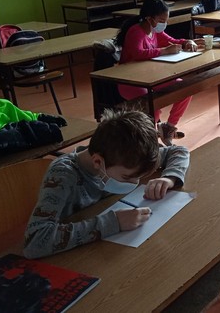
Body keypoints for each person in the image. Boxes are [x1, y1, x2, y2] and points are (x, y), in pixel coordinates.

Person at [23, 109, 190, 259]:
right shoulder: (63, 176)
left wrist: (169, 178)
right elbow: (35, 241)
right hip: (77, 259)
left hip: (109, 249)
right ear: (97, 162)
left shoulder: (125, 155)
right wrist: (113, 223)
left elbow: (179, 151)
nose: (135, 184)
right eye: (127, 177)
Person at [116, 0, 198, 145]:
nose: (163, 24)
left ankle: (168, 127)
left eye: (165, 20)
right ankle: (151, 139)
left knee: (185, 89)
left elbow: (172, 41)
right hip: (130, 81)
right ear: (149, 18)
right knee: (152, 103)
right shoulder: (136, 31)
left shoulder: (154, 31)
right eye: (161, 20)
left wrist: (187, 41)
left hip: (151, 76)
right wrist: (163, 51)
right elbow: (138, 53)